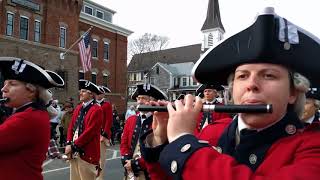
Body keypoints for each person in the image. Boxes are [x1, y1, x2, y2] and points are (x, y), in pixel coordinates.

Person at [140, 7, 320, 180]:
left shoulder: (312, 146)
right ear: (232, 89)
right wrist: (159, 139)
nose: (252, 84)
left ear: (293, 92)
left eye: (269, 75)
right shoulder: (212, 132)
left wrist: (183, 142)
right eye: (242, 76)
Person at [0, 57, 64, 180]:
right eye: (4, 84)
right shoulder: (31, 113)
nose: (3, 89)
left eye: (12, 84)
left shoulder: (28, 118)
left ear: (31, 91)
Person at [120, 83, 168, 180]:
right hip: (131, 170)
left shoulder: (160, 120)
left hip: (150, 171)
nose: (140, 101)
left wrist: (137, 164)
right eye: (138, 98)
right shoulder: (131, 120)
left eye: (144, 98)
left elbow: (159, 151)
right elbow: (124, 143)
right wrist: (126, 159)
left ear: (154, 101)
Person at [65, 79, 103, 180]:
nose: (80, 93)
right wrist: (69, 142)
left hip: (87, 153)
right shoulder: (78, 108)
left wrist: (73, 146)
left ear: (91, 94)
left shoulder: (97, 109)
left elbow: (90, 132)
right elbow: (71, 127)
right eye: (80, 91)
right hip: (74, 151)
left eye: (83, 91)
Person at [95, 85, 113, 180]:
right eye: (97, 93)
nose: (98, 95)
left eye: (100, 93)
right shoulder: (93, 104)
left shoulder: (106, 105)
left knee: (101, 159)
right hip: (93, 134)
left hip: (101, 135)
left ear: (103, 94)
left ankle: (100, 178)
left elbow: (108, 121)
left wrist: (104, 134)